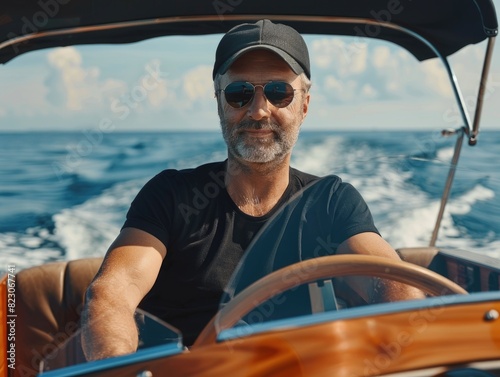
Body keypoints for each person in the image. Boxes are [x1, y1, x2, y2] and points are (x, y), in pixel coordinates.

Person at [81, 19, 423, 360]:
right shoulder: (170, 197)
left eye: (279, 92)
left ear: (304, 105)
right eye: (239, 93)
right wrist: (118, 366)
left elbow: (394, 284)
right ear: (219, 103)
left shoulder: (331, 203)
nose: (259, 111)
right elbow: (113, 293)